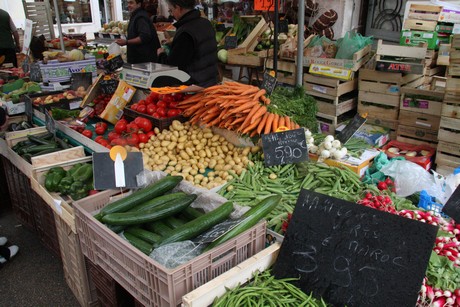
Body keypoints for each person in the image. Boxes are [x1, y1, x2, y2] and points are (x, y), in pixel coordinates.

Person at [156, 0, 218, 88]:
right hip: (210, 82)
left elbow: (173, 66)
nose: (171, 14)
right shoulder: (206, 23)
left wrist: (161, 54)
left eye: (171, 10)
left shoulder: (185, 32)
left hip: (194, 87)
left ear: (178, 8)